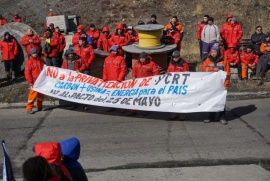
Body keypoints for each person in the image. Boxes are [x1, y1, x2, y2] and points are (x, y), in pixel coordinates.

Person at [201, 45, 230, 125]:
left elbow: (227, 73)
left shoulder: (224, 60)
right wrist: (212, 69)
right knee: (211, 100)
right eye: (212, 52)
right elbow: (203, 69)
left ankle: (222, 117)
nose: (213, 53)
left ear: (218, 52)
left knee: (221, 101)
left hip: (221, 84)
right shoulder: (207, 60)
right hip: (211, 85)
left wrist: (226, 84)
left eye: (215, 52)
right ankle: (211, 116)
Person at [103, 45, 127, 112]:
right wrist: (104, 78)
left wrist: (120, 78)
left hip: (118, 80)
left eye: (115, 51)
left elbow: (123, 69)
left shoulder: (120, 58)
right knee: (111, 94)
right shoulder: (106, 59)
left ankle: (123, 107)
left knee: (121, 94)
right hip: (109, 80)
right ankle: (112, 106)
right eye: (112, 51)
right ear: (110, 51)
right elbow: (105, 69)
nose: (113, 52)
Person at [166, 50, 189, 120]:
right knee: (173, 99)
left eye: (177, 57)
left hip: (181, 85)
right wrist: (167, 73)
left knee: (181, 99)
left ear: (179, 57)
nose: (175, 58)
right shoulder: (170, 63)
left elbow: (187, 74)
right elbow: (168, 71)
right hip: (173, 85)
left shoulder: (184, 64)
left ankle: (182, 114)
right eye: (174, 57)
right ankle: (174, 113)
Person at [24, 48, 46, 114]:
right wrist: (30, 82)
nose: (35, 54)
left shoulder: (41, 60)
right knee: (32, 95)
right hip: (34, 82)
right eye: (33, 53)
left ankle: (39, 106)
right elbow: (27, 73)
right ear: (31, 54)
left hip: (41, 81)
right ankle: (28, 109)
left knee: (41, 95)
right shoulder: (29, 62)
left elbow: (46, 68)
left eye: (36, 53)